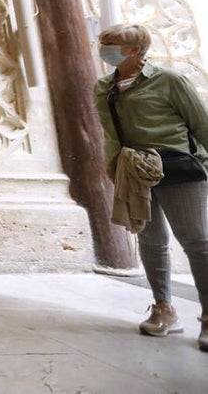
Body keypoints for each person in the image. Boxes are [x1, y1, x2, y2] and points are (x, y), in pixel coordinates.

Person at [95, 23, 208, 351]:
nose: (105, 49)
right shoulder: (105, 87)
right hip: (133, 169)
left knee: (197, 242)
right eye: (104, 43)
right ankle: (164, 309)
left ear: (134, 49)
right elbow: (110, 132)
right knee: (151, 239)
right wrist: (114, 167)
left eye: (112, 44)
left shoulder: (169, 80)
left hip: (177, 167)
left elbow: (200, 124)